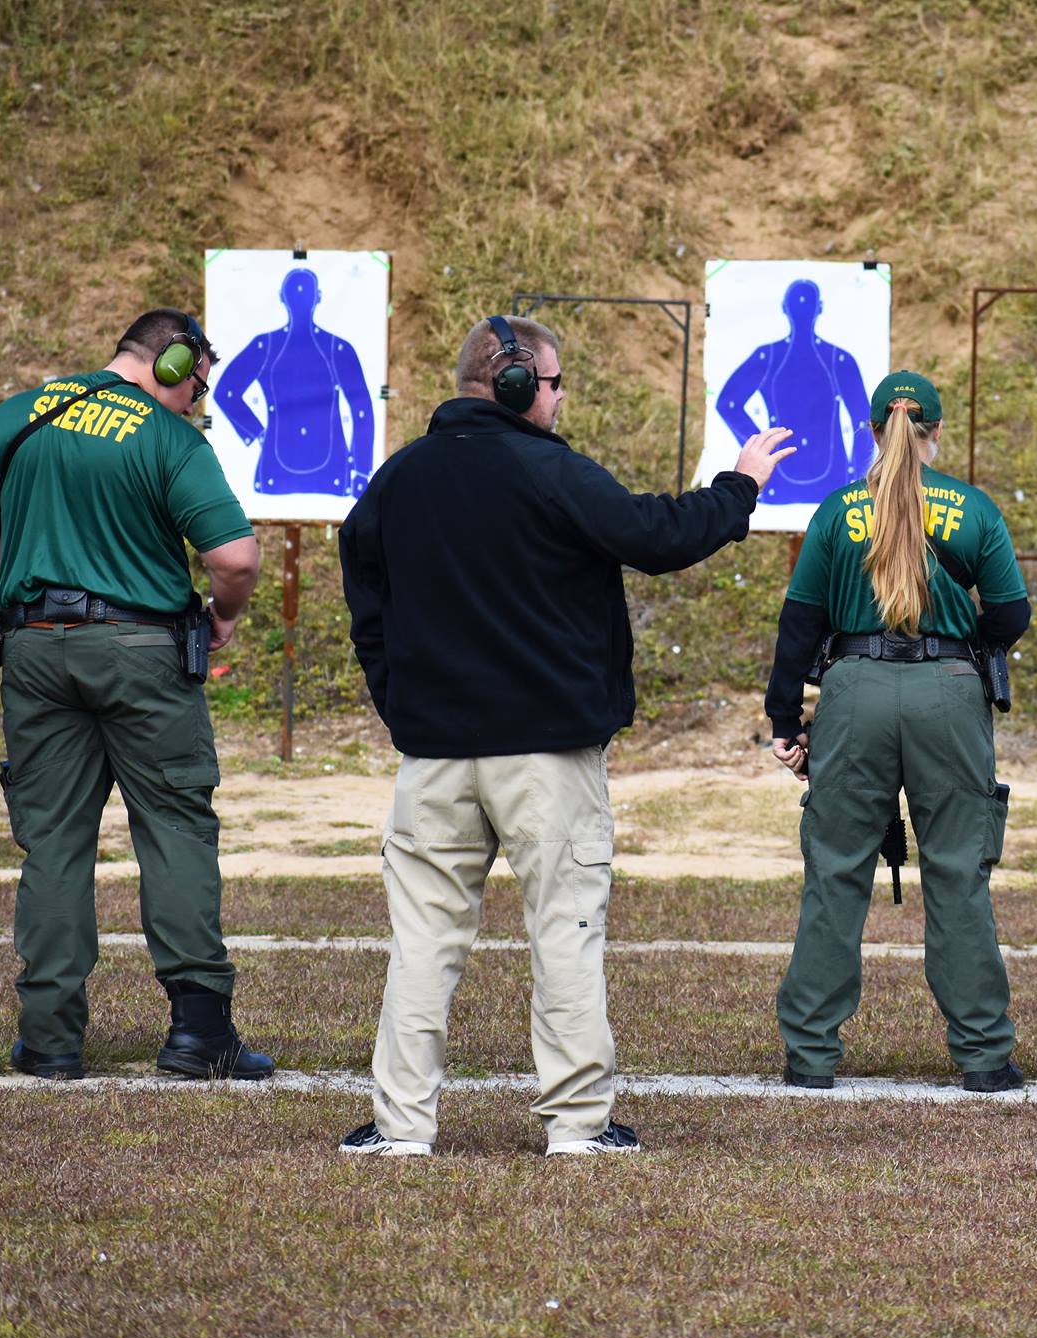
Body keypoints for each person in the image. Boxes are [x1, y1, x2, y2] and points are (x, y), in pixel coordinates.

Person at [335, 314, 796, 1158]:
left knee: (423, 942)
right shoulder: (551, 471)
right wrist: (740, 485)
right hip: (547, 758)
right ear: (516, 386)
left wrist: (399, 702)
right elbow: (656, 536)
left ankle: (402, 1127)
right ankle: (577, 1126)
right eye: (553, 383)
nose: (558, 398)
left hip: (434, 758)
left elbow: (365, 596)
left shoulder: (397, 480)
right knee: (567, 930)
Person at [0, 308, 272, 1082]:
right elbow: (234, 556)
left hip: (31, 649)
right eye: (197, 384)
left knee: (54, 839)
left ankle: (50, 1038)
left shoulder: (19, 416)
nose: (196, 400)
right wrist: (223, 616)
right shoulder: (166, 438)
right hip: (141, 653)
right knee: (174, 827)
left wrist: (38, 560)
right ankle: (199, 1032)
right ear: (173, 365)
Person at [764, 369, 1031, 1092]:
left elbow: (799, 625)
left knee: (836, 870)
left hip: (854, 690)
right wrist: (960, 640)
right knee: (958, 872)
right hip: (948, 691)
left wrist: (786, 720)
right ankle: (983, 1054)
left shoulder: (836, 510)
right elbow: (1011, 615)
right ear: (935, 432)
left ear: (872, 431)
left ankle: (811, 1055)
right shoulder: (973, 510)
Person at [212, 265, 377, 498]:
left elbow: (226, 393)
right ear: (318, 298)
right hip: (331, 474)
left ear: (282, 297)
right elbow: (361, 410)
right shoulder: (336, 348)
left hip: (278, 472)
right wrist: (361, 471)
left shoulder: (267, 346)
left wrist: (257, 433)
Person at [716, 278, 875, 505]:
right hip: (826, 483)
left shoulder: (772, 357)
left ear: (783, 307)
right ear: (819, 308)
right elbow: (864, 420)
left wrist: (761, 447)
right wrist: (856, 475)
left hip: (785, 480)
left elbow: (864, 419)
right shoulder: (836, 359)